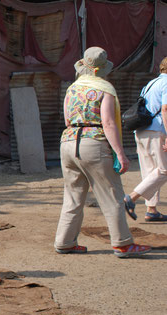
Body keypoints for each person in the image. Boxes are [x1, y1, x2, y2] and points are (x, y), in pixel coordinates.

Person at [54, 47, 150, 258]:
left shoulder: (72, 89)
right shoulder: (105, 88)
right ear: (102, 69)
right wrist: (120, 153)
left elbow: (68, 120)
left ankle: (64, 242)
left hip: (68, 141)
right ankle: (123, 244)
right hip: (93, 142)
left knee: (72, 196)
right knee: (111, 194)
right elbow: (108, 122)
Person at [123, 57, 167, 222]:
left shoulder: (150, 84)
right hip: (157, 131)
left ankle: (151, 209)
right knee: (164, 170)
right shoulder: (166, 84)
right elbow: (165, 108)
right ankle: (131, 198)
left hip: (141, 131)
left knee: (150, 170)